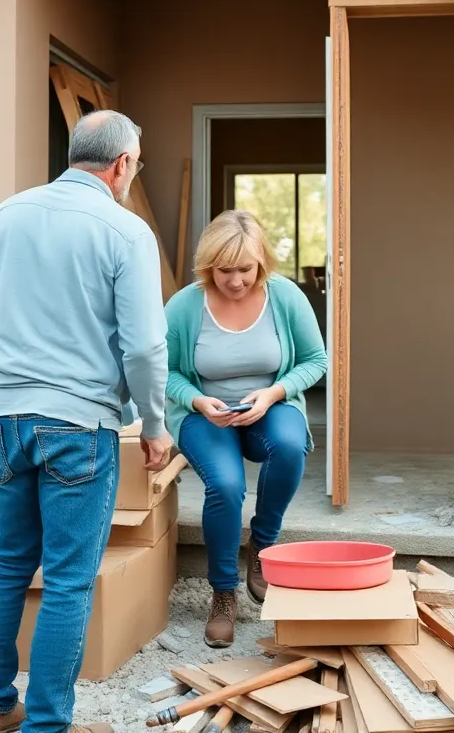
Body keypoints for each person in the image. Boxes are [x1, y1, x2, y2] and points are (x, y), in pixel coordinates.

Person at [0, 110, 173, 733]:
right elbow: (143, 348)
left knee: (8, 561)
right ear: (122, 164)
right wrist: (154, 423)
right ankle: (47, 725)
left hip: (4, 420)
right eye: (136, 162)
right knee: (71, 581)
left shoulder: (7, 213)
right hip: (78, 425)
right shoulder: (126, 232)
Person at [164, 209, 327, 648]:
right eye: (224, 270)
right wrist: (197, 400)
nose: (235, 281)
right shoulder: (183, 306)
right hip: (205, 414)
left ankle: (262, 545)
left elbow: (316, 360)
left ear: (261, 263)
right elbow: (165, 372)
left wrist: (273, 395)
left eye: (245, 269)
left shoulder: (285, 297)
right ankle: (223, 594)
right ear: (208, 266)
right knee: (225, 483)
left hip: (267, 408)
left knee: (290, 446)